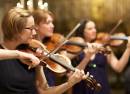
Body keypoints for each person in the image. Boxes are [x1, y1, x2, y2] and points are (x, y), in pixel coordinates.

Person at [0, 7, 88, 94]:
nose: (34, 33)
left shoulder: (32, 52)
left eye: (35, 28)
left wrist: (69, 83)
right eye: (31, 29)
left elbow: (44, 91)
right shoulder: (9, 53)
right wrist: (19, 54)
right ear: (15, 29)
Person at [69, 20, 130, 94]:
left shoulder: (103, 46)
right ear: (82, 31)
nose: (94, 30)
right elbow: (73, 73)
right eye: (90, 29)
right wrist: (87, 57)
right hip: (82, 87)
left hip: (101, 86)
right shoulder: (76, 48)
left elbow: (118, 67)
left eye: (94, 28)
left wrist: (128, 48)